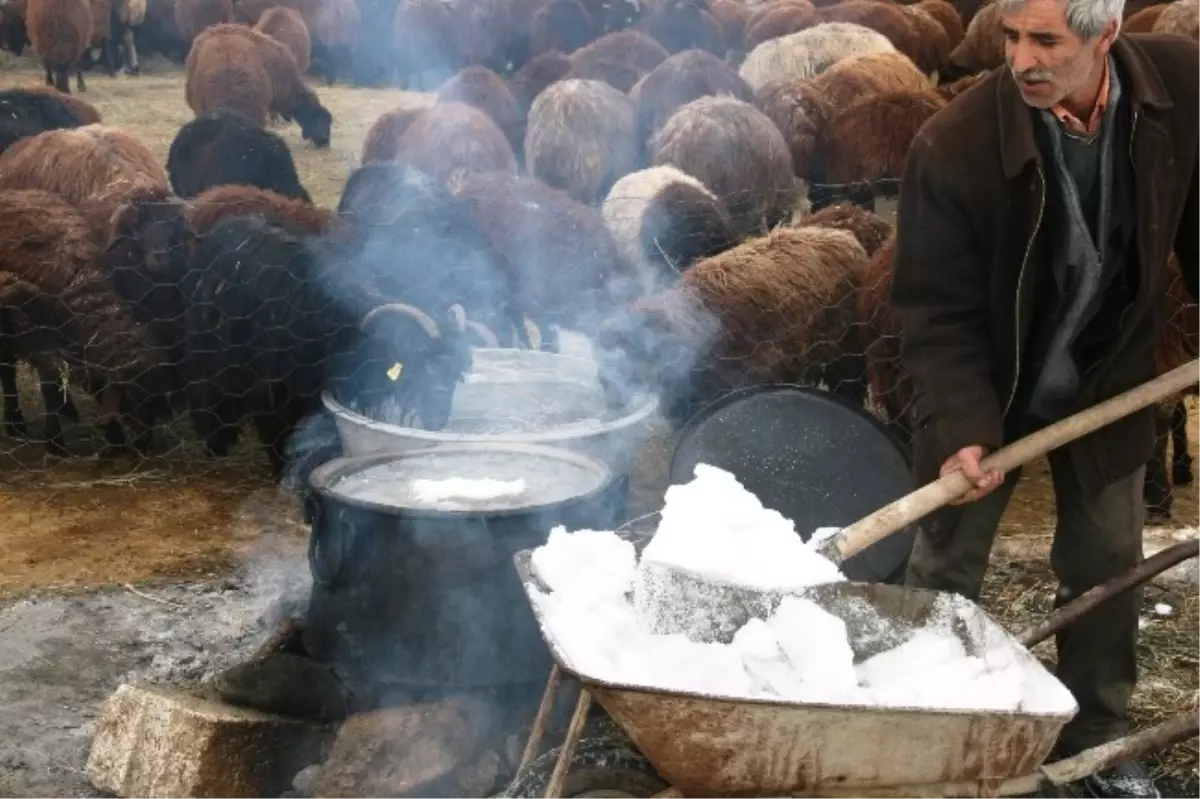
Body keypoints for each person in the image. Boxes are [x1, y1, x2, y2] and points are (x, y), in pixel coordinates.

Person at [890, 1, 1200, 796]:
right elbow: (934, 309)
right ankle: (913, 723)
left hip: (1110, 375)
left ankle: (1099, 738)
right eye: (1011, 37)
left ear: (1106, 37)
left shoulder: (1180, 91)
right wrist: (961, 424)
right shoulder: (954, 147)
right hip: (992, 388)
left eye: (1045, 41)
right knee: (946, 561)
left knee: (1105, 564)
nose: (1022, 58)